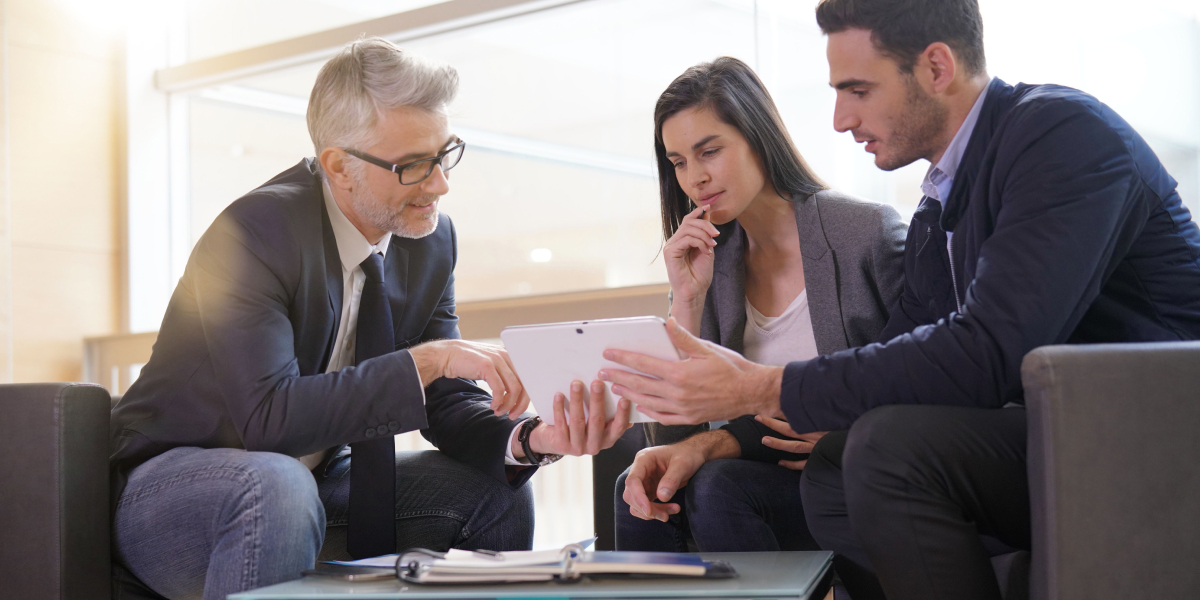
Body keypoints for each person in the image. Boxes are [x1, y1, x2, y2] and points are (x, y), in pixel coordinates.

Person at [599, 0, 1200, 598]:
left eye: (858, 90)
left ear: (937, 68)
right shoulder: (941, 201)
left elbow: (989, 349)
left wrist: (761, 385)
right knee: (837, 467)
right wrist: (724, 429)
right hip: (1056, 428)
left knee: (884, 450)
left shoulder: (1062, 135)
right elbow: (899, 351)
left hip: (1149, 430)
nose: (839, 118)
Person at [109, 38, 630, 600]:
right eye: (413, 165)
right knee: (277, 484)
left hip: (308, 487)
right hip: (172, 493)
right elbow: (266, 420)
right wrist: (425, 360)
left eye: (445, 152)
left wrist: (529, 439)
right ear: (340, 167)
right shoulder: (254, 234)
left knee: (495, 489)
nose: (440, 184)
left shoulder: (428, 242)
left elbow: (446, 400)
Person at [615, 57, 906, 553]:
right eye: (679, 162)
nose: (695, 178)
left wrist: (847, 437)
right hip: (752, 477)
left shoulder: (864, 234)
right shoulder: (712, 263)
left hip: (853, 479)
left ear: (758, 137)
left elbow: (921, 375)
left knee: (717, 488)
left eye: (709, 151)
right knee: (639, 485)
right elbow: (677, 430)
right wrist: (687, 301)